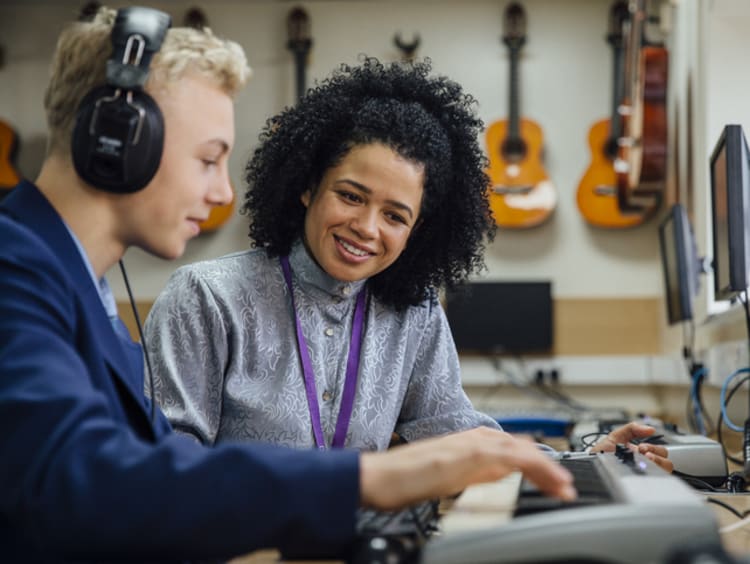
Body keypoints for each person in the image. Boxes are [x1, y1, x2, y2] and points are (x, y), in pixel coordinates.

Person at [0, 6, 582, 562]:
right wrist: (370, 477)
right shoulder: (16, 272)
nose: (224, 193)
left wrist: (579, 460)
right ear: (118, 144)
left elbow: (148, 471)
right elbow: (84, 481)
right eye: (208, 159)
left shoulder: (76, 286)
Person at [143, 56, 673, 475]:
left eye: (395, 215)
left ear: (417, 228)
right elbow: (165, 463)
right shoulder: (206, 297)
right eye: (351, 196)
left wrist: (587, 461)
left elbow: (455, 432)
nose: (367, 228)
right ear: (307, 186)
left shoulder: (413, 312)